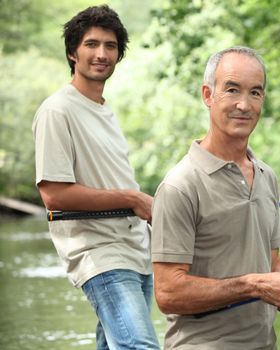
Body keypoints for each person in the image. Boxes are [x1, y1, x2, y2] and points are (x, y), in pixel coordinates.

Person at [151, 46, 280, 349]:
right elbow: (168, 294)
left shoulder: (267, 177)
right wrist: (252, 285)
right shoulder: (179, 185)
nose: (244, 104)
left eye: (255, 93)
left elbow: (271, 266)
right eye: (232, 90)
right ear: (208, 95)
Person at [32, 5, 160, 350]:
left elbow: (109, 179)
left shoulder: (105, 109)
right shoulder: (57, 111)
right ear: (73, 53)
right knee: (140, 347)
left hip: (136, 251)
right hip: (99, 254)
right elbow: (54, 195)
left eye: (111, 46)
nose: (101, 54)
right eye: (91, 44)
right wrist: (133, 200)